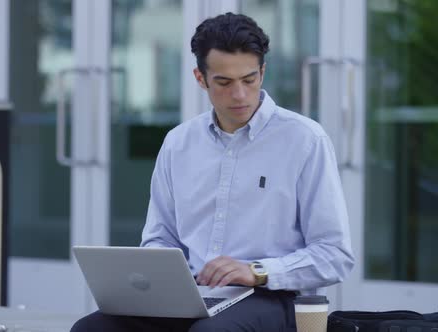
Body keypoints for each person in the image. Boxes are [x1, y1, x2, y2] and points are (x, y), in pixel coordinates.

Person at [71, 12, 354, 332]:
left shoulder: (304, 140)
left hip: (273, 296)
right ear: (200, 78)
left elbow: (334, 255)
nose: (239, 95)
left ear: (262, 72)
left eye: (249, 79)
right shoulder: (179, 143)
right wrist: (161, 279)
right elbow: (159, 237)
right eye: (224, 82)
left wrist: (258, 271)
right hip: (191, 296)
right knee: (93, 329)